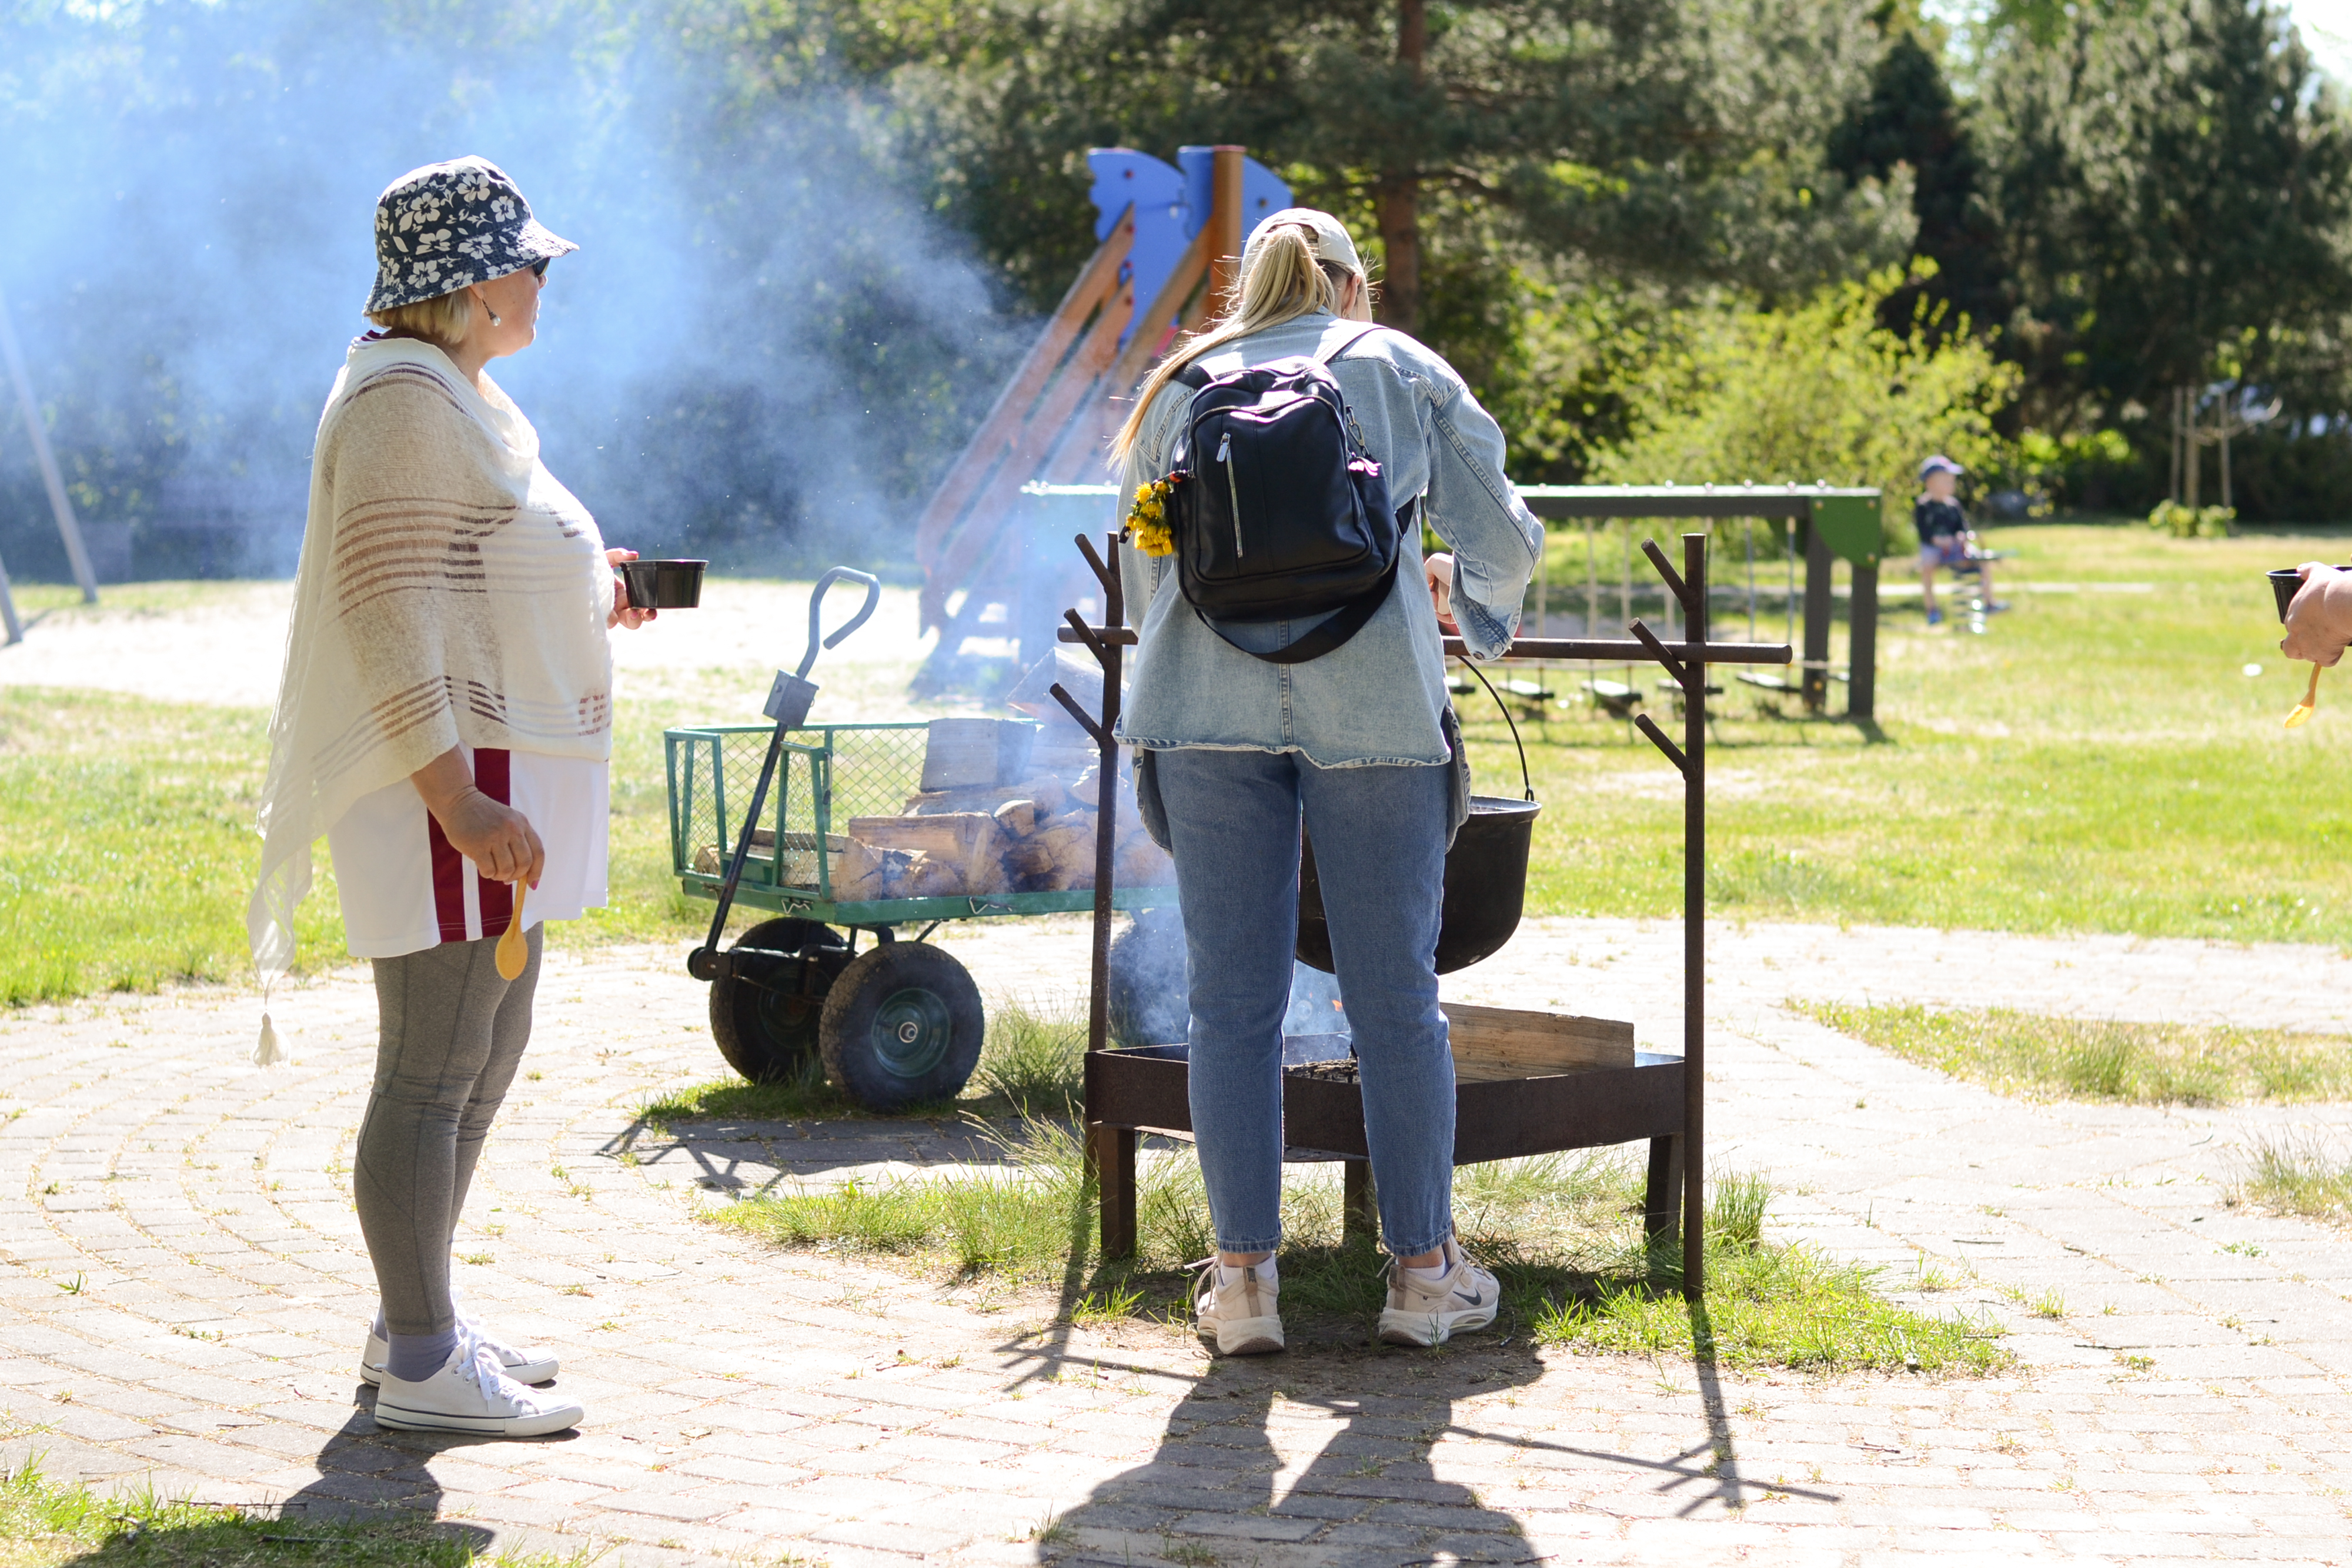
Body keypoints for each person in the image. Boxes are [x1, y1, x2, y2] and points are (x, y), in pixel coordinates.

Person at [248, 156, 656, 1437]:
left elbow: (473, 567)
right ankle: (424, 1360)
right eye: (529, 263)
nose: (544, 280)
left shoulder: (454, 395)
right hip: (451, 781)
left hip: (489, 772)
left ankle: (408, 1320)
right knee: (433, 1066)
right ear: (475, 287)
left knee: (485, 1045)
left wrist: (597, 584)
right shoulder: (404, 403)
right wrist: (456, 803)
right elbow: (385, 609)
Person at [1110, 208, 1540, 1355]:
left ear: (1243, 285)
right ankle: (1420, 1274)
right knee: (1395, 999)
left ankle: (1244, 1284)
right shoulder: (1400, 370)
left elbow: (1148, 564)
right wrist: (1467, 601)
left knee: (1230, 1005)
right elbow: (1499, 528)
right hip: (1375, 715)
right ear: (1348, 288)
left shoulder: (1178, 384)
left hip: (1204, 718)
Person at [1915, 454, 2004, 626]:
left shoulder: (1953, 505)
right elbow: (1924, 532)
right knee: (1926, 567)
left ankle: (1989, 602)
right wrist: (1939, 541)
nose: (1951, 484)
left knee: (1981, 559)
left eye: (1952, 481)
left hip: (1956, 547)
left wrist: (1962, 537)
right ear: (1931, 483)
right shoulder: (1923, 506)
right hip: (1934, 547)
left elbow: (1962, 527)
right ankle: (1932, 609)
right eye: (1946, 481)